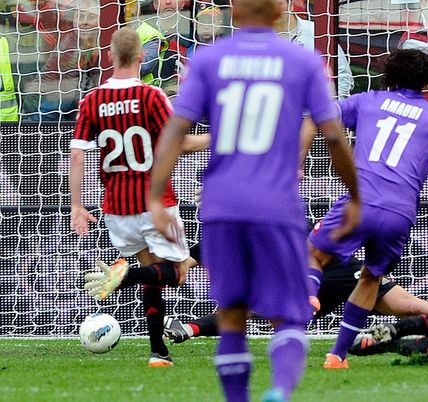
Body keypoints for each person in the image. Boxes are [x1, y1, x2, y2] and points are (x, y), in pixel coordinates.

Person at [147, 0, 360, 400]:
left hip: (221, 205)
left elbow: (175, 131)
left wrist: (156, 196)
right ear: (280, 14)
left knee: (232, 315)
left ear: (234, 13)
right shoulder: (303, 60)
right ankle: (279, 389)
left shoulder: (210, 60)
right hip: (276, 204)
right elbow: (332, 135)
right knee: (292, 312)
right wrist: (356, 196)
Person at [306, 48, 428, 370]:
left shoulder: (367, 101)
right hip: (399, 214)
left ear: (388, 74)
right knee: (370, 279)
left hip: (359, 200)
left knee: (313, 255)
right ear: (427, 82)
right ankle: (337, 356)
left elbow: (320, 116)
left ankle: (309, 294)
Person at [69, 27, 203, 367]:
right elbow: (181, 144)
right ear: (142, 57)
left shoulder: (92, 100)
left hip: (116, 208)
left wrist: (76, 205)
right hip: (156, 202)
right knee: (175, 273)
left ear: (110, 56)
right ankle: (124, 276)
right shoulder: (152, 96)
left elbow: (78, 154)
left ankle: (159, 352)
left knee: (151, 271)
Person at [164, 226, 428, 344]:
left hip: (340, 274)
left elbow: (320, 247)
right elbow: (193, 258)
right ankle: (187, 329)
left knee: (409, 307)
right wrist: (176, 271)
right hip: (300, 290)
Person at [25, 0, 101, 121]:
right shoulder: (69, 47)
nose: (84, 22)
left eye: (91, 17)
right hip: (47, 104)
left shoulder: (100, 43)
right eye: (80, 17)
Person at [275, 0, 353, 99]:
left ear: (291, 6)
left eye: (278, 4)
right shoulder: (260, 39)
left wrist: (333, 108)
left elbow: (342, 75)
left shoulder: (317, 32)